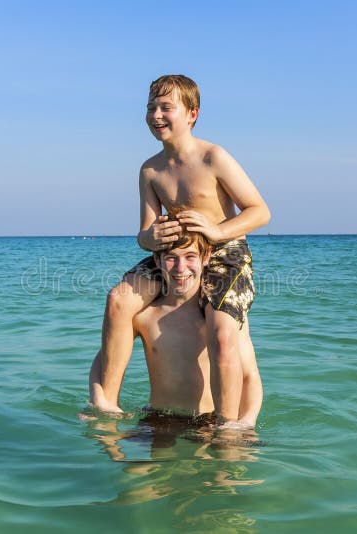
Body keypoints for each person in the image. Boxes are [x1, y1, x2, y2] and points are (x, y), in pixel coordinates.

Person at [93, 74, 270, 425]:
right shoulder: (150, 170)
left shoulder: (212, 157)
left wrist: (217, 230)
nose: (156, 115)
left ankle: (226, 424)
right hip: (173, 255)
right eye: (150, 108)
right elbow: (144, 232)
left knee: (221, 330)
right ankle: (107, 406)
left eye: (165, 107)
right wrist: (150, 238)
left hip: (224, 253)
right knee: (118, 300)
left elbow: (260, 211)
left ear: (192, 114)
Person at [88, 222, 263, 427]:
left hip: (205, 422)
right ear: (157, 260)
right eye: (171, 258)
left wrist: (247, 421)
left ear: (205, 257)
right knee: (117, 455)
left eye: (190, 257)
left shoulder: (221, 318)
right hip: (156, 419)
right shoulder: (143, 316)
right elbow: (104, 357)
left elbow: (250, 374)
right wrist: (98, 398)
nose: (181, 268)